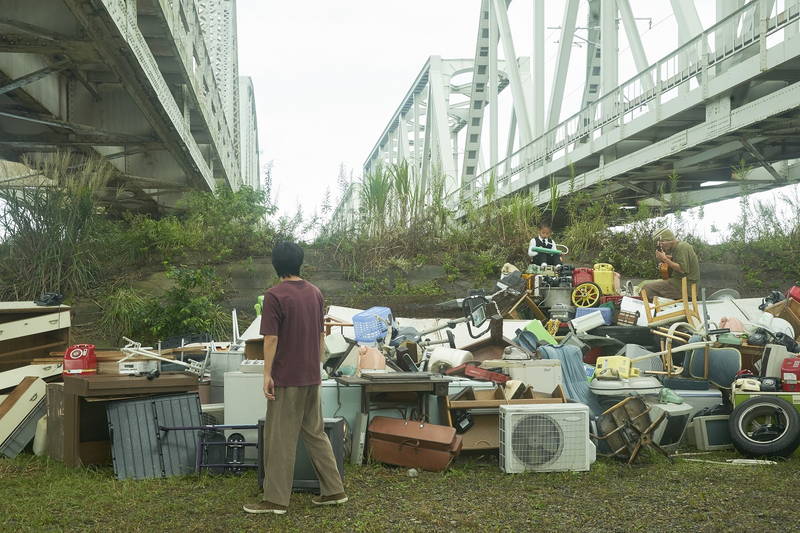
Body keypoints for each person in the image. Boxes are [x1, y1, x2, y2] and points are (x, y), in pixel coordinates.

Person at [243, 241, 347, 515]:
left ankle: (275, 500)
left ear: (276, 265)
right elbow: (320, 335)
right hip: (312, 375)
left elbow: (271, 338)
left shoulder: (274, 296)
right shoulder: (315, 292)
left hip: (286, 378)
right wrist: (317, 366)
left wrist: (267, 373)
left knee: (280, 438)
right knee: (315, 433)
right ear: (300, 262)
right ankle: (334, 490)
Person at [636, 228, 700, 300]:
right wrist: (664, 259)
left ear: (668, 240)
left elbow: (682, 269)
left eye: (662, 243)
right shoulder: (675, 249)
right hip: (678, 283)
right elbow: (676, 262)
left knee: (647, 289)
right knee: (644, 283)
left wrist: (665, 259)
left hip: (685, 286)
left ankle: (655, 309)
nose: (662, 246)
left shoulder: (682, 247)